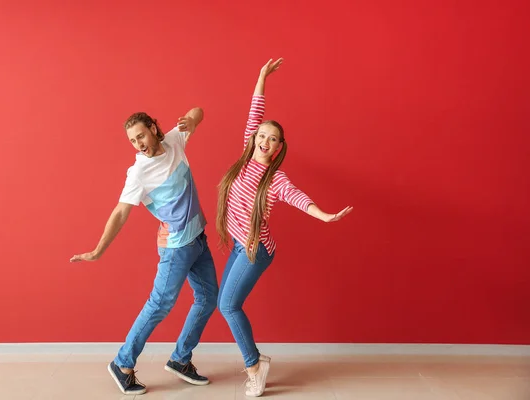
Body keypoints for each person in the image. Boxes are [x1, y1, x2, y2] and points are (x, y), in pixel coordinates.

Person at [216, 58, 354, 397]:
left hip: (255, 249)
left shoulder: (275, 179)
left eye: (272, 139)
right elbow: (255, 111)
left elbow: (296, 197)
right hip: (239, 243)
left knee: (228, 306)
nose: (265, 141)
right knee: (226, 304)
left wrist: (323, 215)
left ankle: (254, 366)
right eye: (262, 135)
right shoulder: (245, 158)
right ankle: (255, 360)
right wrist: (262, 76)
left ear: (279, 148)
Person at [70, 108, 219, 395]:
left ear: (153, 128)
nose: (138, 143)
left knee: (208, 298)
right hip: (175, 248)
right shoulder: (138, 172)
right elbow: (120, 213)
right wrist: (98, 250)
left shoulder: (175, 140)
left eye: (140, 135)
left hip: (198, 240)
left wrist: (193, 119)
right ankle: (122, 363)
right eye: (132, 140)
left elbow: (198, 111)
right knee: (159, 304)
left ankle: (180, 359)